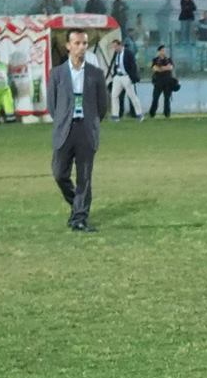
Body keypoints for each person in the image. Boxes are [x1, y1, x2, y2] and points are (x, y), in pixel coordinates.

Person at [50, 34, 109, 233]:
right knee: (59, 173)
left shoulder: (96, 74)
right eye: (77, 43)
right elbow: (53, 105)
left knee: (84, 177)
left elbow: (102, 106)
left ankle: (80, 218)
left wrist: (91, 122)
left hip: (86, 130)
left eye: (84, 43)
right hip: (65, 130)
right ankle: (77, 204)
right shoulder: (57, 74)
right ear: (68, 46)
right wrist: (63, 120)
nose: (82, 47)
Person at [107, 37, 143, 120]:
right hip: (118, 77)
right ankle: (115, 115)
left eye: (116, 46)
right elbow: (116, 64)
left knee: (132, 96)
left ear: (120, 45)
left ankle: (139, 114)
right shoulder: (116, 54)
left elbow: (133, 65)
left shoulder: (128, 53)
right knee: (114, 95)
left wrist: (132, 77)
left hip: (126, 76)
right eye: (113, 47)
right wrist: (114, 74)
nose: (115, 49)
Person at [149, 45, 177, 117]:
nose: (163, 52)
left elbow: (170, 67)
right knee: (155, 98)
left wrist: (161, 68)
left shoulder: (168, 59)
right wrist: (164, 68)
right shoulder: (155, 60)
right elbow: (155, 68)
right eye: (162, 51)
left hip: (167, 81)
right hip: (158, 81)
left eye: (164, 50)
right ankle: (152, 113)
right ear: (158, 52)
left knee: (167, 98)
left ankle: (167, 113)